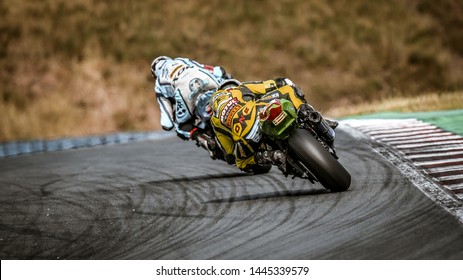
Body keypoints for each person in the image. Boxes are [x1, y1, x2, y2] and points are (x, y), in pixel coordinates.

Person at [209, 78, 338, 172]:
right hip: (259, 113)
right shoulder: (240, 89)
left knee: (241, 162)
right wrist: (283, 82)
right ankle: (311, 115)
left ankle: (271, 156)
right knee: (288, 89)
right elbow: (271, 84)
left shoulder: (215, 121)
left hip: (246, 137)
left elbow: (229, 155)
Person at [150, 56, 231, 140]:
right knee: (230, 87)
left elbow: (167, 123)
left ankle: (206, 141)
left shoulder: (159, 83)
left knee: (181, 127)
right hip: (203, 76)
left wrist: (170, 123)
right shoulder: (181, 60)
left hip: (184, 92)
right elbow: (216, 71)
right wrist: (224, 74)